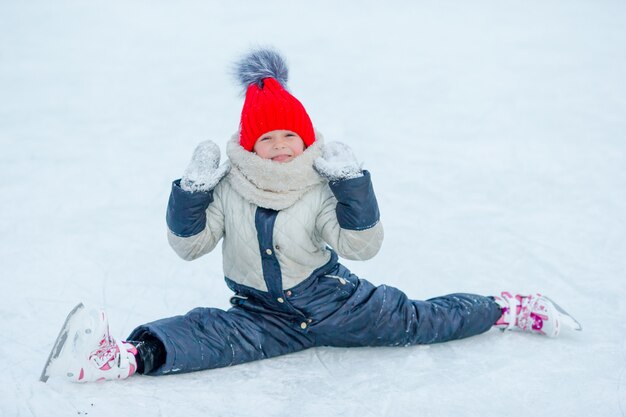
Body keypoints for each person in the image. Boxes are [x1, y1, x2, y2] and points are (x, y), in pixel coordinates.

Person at [55, 49, 582, 383]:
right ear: (249, 143)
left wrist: (353, 186)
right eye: (268, 136)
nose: (281, 146)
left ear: (306, 137)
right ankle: (121, 358)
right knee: (207, 335)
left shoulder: (319, 186)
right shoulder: (230, 188)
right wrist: (192, 192)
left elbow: (360, 246)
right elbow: (190, 245)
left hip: (336, 303)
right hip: (261, 311)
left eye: (291, 135)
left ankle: (504, 307)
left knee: (422, 321)